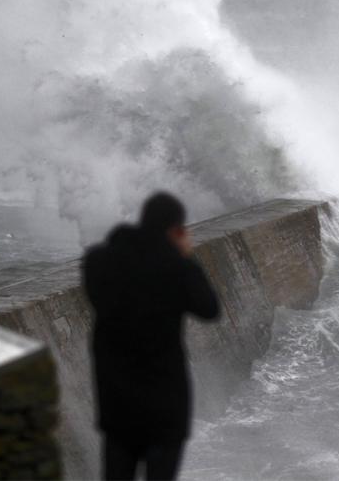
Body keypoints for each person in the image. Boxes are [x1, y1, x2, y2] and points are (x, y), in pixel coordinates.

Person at [83, 192, 220, 480]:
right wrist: (184, 257)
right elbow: (209, 308)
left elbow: (99, 275)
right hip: (164, 409)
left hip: (117, 407)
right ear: (176, 230)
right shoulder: (177, 269)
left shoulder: (100, 262)